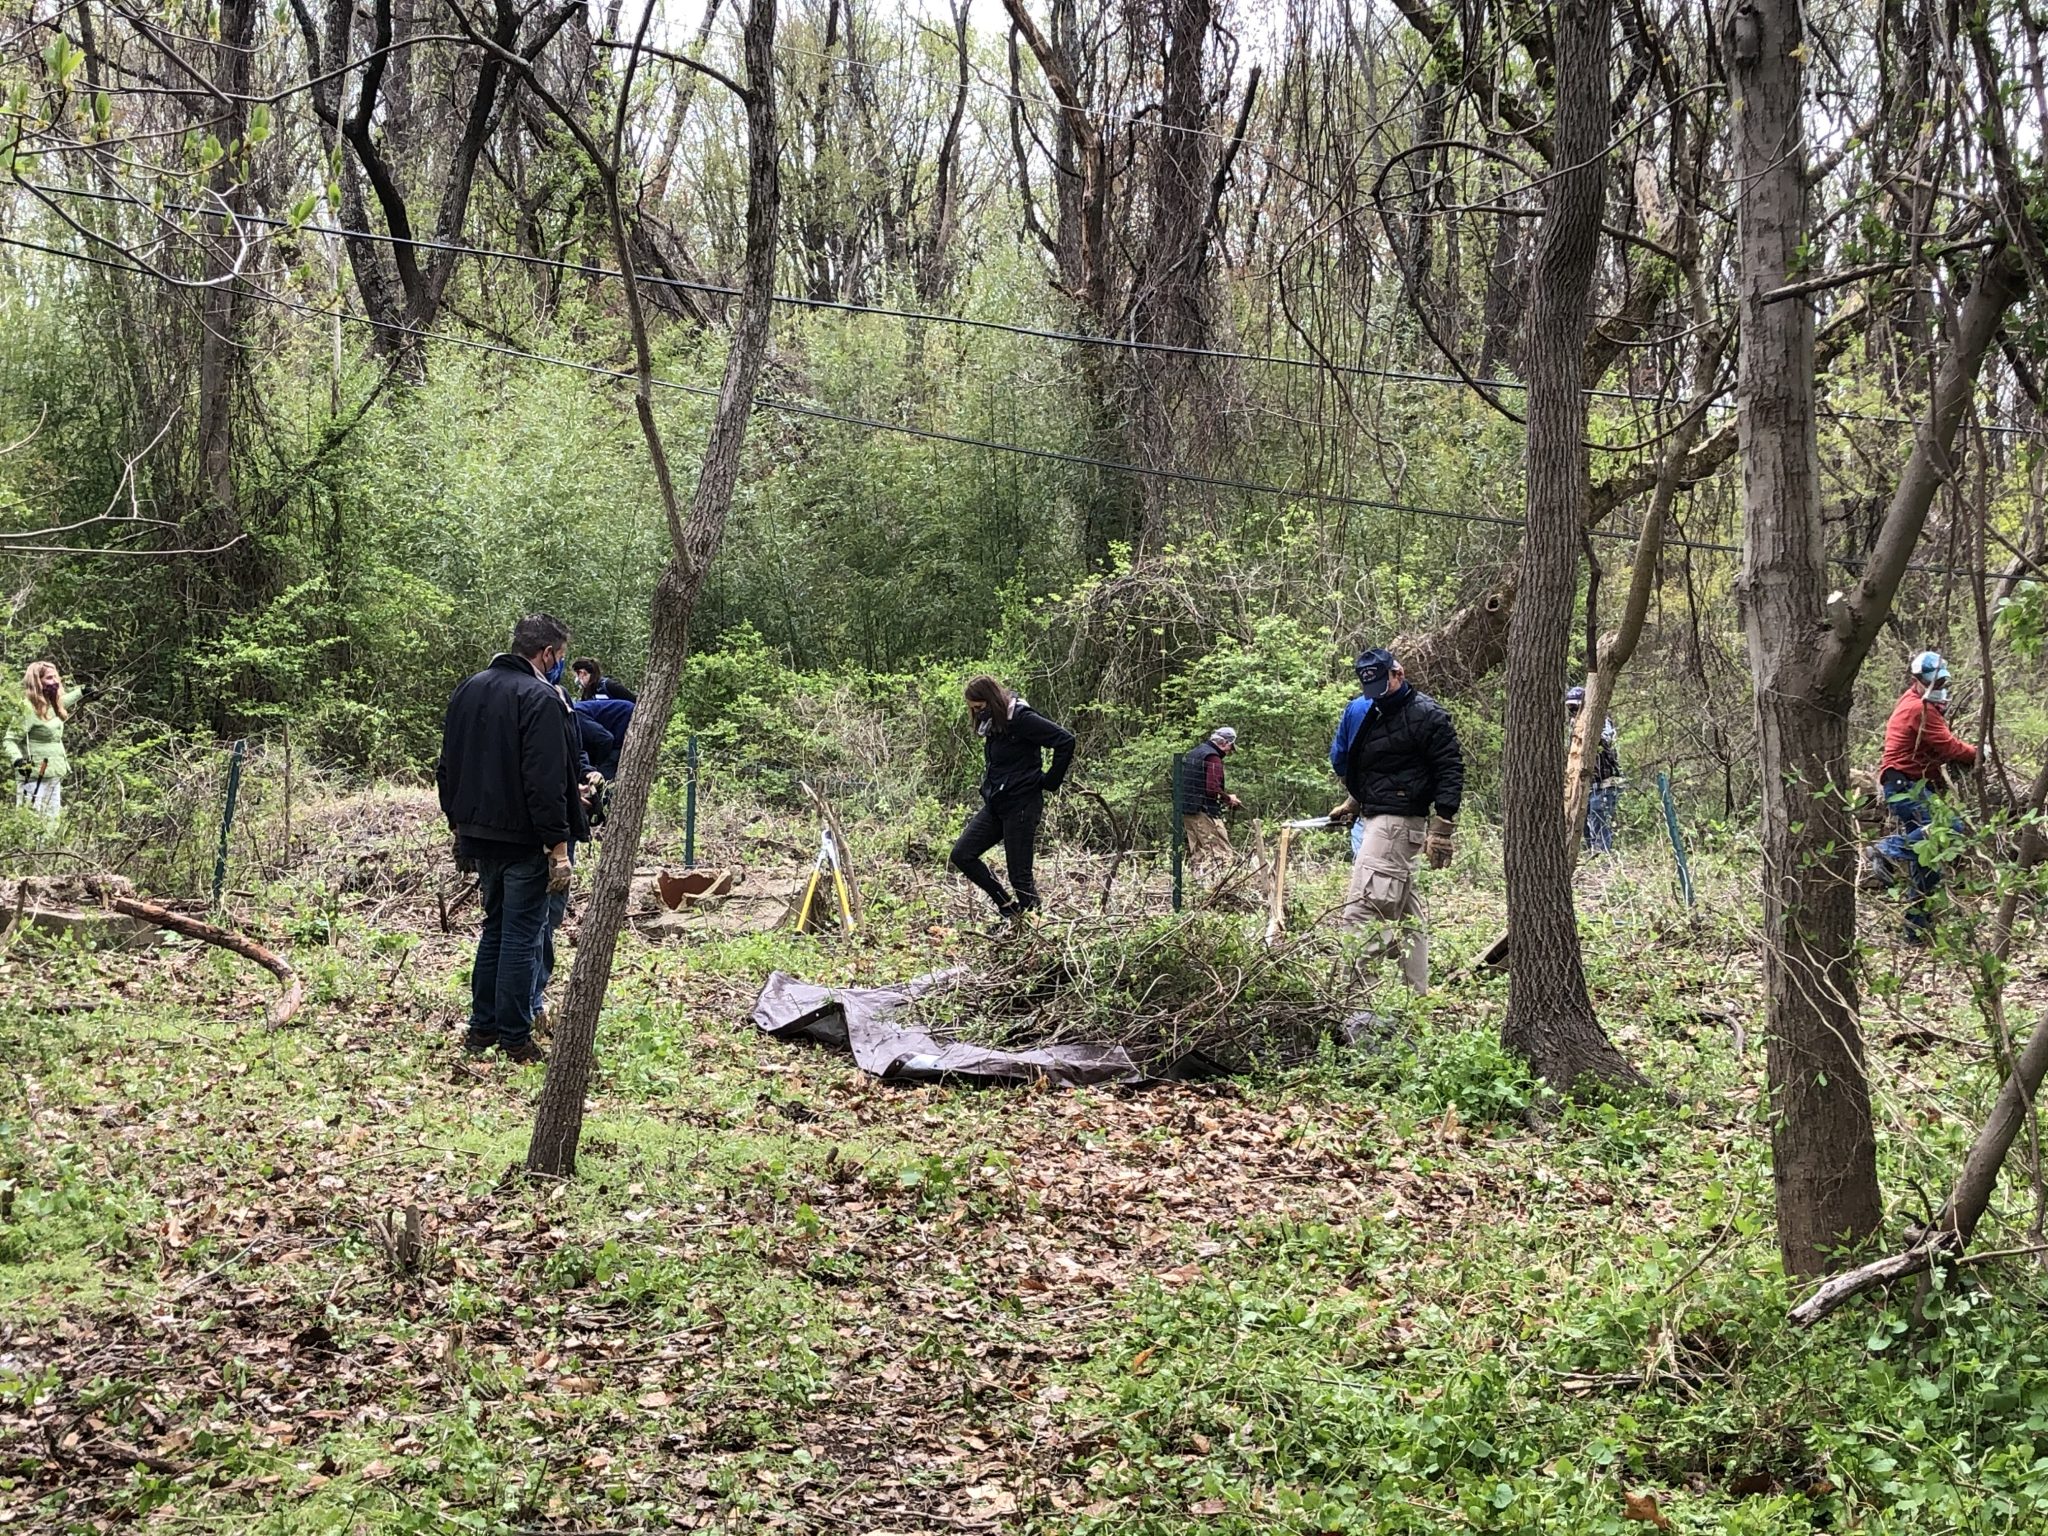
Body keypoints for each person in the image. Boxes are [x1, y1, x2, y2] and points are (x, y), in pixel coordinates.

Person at [437, 614, 589, 1063]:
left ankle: (482, 1029)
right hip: (524, 839)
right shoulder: (540, 697)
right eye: (560, 657)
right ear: (546, 654)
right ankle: (514, 1035)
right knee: (522, 934)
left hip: (479, 835)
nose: (559, 664)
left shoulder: (469, 688)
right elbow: (543, 781)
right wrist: (558, 847)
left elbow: (447, 767)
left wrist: (458, 824)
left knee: (495, 930)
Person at [1328, 647, 1464, 993]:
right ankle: (1417, 998)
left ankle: (1359, 1007)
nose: (1377, 695)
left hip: (1396, 824)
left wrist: (1443, 827)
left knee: (1363, 911)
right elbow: (1376, 768)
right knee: (1408, 916)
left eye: (1382, 686)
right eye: (1369, 689)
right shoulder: (1372, 711)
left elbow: (1450, 769)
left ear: (1398, 674)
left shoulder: (1427, 715)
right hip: (1380, 817)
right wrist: (1355, 801)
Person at [949, 676, 1074, 924]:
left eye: (978, 707)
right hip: (997, 803)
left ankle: (1037, 931)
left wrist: (1050, 781)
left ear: (991, 700)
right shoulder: (994, 724)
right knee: (962, 854)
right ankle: (1008, 908)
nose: (976, 713)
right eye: (973, 709)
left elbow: (1065, 740)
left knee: (1020, 876)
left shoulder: (1020, 718)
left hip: (1022, 804)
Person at [1872, 649, 1977, 944]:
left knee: (1926, 864)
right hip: (1904, 785)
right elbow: (1948, 747)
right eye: (1934, 683)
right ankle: (1886, 849)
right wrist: (1978, 754)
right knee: (1949, 829)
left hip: (1913, 784)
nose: (1939, 688)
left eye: (1942, 683)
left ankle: (1915, 930)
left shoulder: (1921, 704)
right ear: (1917, 680)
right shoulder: (1918, 709)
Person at [6, 662, 82, 820]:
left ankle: (50, 846)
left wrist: (82, 692)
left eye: (55, 677)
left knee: (52, 821)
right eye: (49, 678)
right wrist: (18, 760)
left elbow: (64, 701)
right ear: (37, 681)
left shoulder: (52, 704)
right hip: (33, 775)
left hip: (54, 771)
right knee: (31, 820)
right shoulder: (28, 709)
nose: (54, 681)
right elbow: (10, 740)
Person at [1565, 686, 1623, 855]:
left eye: (1576, 707)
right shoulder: (1573, 725)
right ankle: (1591, 854)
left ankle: (1603, 857)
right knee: (1582, 821)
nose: (1574, 712)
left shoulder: (1602, 721)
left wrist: (1587, 729)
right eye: (1571, 708)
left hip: (1605, 781)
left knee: (1599, 818)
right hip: (1584, 783)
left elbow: (1606, 741)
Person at [1181, 726, 1242, 873]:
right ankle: (1219, 887)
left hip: (1187, 809)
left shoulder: (1194, 753)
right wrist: (1229, 799)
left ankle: (1198, 887)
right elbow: (1212, 789)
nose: (1228, 751)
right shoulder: (1213, 758)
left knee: (1198, 853)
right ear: (1224, 743)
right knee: (1219, 852)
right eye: (1230, 747)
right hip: (1203, 810)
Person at [572, 659, 637, 703]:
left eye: (576, 675)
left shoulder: (609, 685)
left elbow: (633, 701)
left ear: (582, 673)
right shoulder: (587, 694)